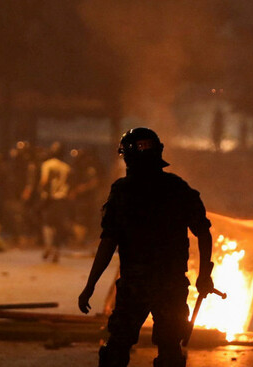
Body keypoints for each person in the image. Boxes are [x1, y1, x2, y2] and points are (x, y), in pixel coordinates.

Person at [78, 128, 214, 367]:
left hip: (135, 284)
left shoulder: (123, 191)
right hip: (169, 285)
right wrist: (204, 276)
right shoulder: (177, 188)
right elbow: (203, 233)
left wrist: (91, 285)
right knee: (170, 349)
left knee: (117, 349)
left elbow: (108, 242)